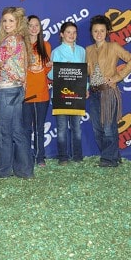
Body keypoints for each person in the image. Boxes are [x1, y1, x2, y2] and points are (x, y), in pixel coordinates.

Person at [0, 7, 34, 179]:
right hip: (16, 89)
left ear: (18, 22)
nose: (7, 24)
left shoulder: (11, 40)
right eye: (4, 20)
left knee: (5, 132)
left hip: (6, 90)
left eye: (11, 20)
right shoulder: (19, 39)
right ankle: (24, 170)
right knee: (17, 131)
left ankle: (3, 170)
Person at [86, 15, 131, 167]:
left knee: (108, 128)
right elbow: (85, 72)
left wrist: (118, 77)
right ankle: (114, 156)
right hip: (93, 93)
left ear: (107, 32)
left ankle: (108, 160)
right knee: (97, 128)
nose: (98, 34)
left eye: (102, 31)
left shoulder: (113, 47)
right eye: (95, 31)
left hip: (108, 93)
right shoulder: (88, 50)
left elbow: (130, 59)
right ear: (91, 33)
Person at [48, 21, 85, 165]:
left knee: (77, 128)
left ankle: (77, 156)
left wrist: (86, 87)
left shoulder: (82, 51)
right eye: (68, 32)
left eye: (74, 32)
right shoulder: (56, 52)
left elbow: (84, 73)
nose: (72, 35)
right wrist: (55, 68)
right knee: (62, 128)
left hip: (77, 94)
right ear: (62, 34)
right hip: (60, 95)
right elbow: (51, 76)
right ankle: (63, 157)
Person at [23, 15, 52, 167]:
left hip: (42, 93)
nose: (34, 28)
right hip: (26, 94)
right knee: (26, 129)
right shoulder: (21, 45)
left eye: (36, 25)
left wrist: (50, 66)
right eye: (31, 25)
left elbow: (46, 70)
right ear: (26, 28)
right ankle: (27, 157)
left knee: (39, 128)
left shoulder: (46, 45)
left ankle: (40, 157)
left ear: (40, 28)